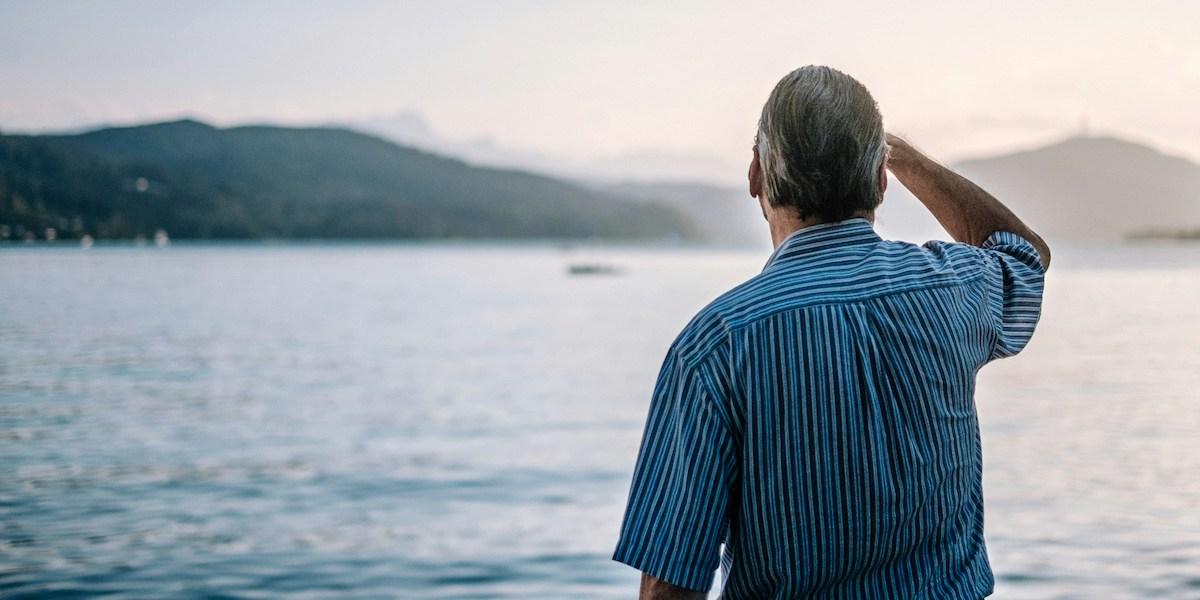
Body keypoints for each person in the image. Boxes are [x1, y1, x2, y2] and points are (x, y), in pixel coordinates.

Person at [613, 65, 1050, 599]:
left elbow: (668, 588)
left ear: (756, 176)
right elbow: (1025, 254)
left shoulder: (715, 346)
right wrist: (906, 157)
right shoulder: (954, 288)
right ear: (882, 181)